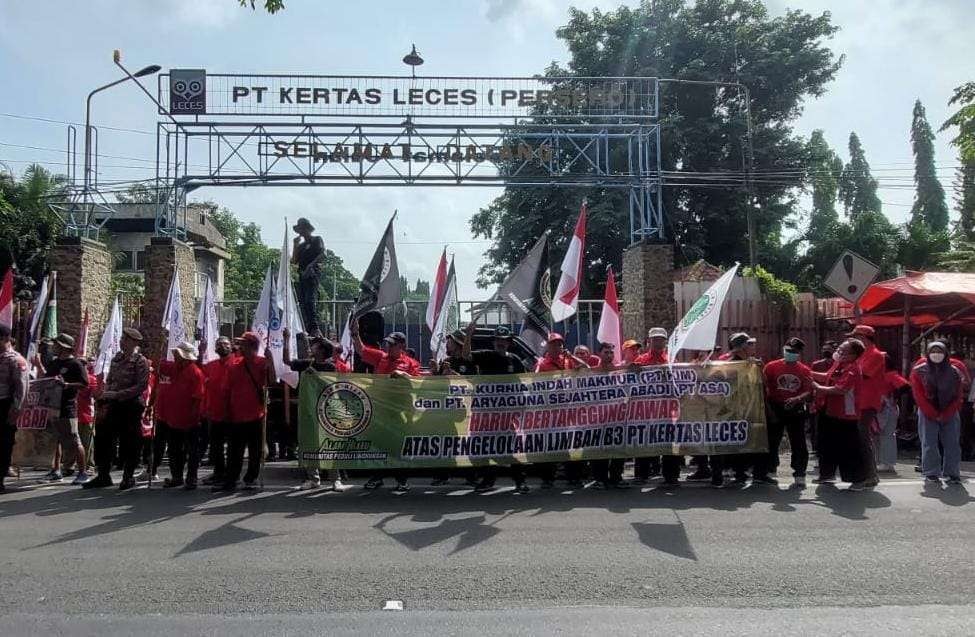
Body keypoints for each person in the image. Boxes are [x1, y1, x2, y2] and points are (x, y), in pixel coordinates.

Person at [352, 325, 421, 492]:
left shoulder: (410, 363)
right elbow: (361, 350)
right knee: (378, 445)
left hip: (400, 412)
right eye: (388, 344)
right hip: (380, 410)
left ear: (402, 346)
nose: (388, 347)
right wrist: (355, 334)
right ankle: (377, 477)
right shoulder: (381, 357)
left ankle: (402, 480)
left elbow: (418, 384)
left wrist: (403, 374)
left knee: (397, 446)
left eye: (392, 344)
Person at [84, 328, 150, 490]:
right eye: (122, 339)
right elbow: (111, 380)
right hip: (113, 404)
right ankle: (103, 474)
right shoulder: (117, 359)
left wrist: (117, 394)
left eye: (126, 339)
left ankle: (128, 476)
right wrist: (105, 396)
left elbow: (140, 386)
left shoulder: (140, 361)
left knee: (130, 442)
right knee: (104, 438)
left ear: (134, 342)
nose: (122, 342)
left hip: (131, 405)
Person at [283, 330, 347, 491]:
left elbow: (332, 386)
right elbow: (287, 361)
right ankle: (313, 478)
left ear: (322, 350)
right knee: (309, 443)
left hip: (327, 410)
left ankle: (336, 479)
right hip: (308, 410)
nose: (312, 347)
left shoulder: (330, 367)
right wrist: (286, 340)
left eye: (316, 346)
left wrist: (316, 375)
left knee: (329, 444)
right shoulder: (306, 364)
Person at [470, 326, 529, 493]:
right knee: (486, 447)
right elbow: (466, 355)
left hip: (508, 415)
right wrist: (468, 334)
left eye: (504, 340)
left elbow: (522, 383)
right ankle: (488, 479)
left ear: (508, 342)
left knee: (512, 448)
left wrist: (522, 405)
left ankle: (520, 481)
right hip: (487, 414)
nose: (501, 343)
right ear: (494, 341)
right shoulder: (485, 356)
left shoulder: (515, 360)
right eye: (498, 340)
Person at [213, 332, 273, 493]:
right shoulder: (234, 364)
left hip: (256, 414)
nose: (240, 347)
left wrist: (271, 361)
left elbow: (271, 381)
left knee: (256, 450)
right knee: (234, 451)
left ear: (252, 346)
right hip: (236, 415)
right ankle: (231, 479)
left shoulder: (262, 363)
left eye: (244, 344)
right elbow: (226, 390)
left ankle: (251, 477)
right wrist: (226, 411)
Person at [811, 338, 868, 490]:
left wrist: (817, 387)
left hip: (846, 414)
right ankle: (827, 474)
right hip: (830, 410)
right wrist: (808, 373)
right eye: (840, 348)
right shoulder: (839, 364)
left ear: (853, 355)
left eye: (843, 351)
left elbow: (839, 389)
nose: (839, 352)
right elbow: (827, 377)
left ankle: (858, 480)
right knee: (826, 444)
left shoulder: (853, 369)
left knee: (849, 448)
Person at [534, 332, 588, 488]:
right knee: (549, 445)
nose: (557, 347)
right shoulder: (542, 363)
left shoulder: (567, 361)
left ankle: (574, 478)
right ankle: (547, 479)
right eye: (554, 344)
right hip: (549, 412)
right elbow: (535, 379)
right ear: (548, 346)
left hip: (567, 411)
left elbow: (585, 367)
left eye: (559, 344)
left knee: (569, 445)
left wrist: (572, 357)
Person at [756, 337, 812, 487]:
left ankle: (800, 473)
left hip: (795, 408)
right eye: (788, 350)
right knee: (772, 440)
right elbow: (763, 385)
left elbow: (808, 391)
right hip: (775, 407)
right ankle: (770, 469)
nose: (790, 353)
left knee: (798, 442)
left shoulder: (804, 370)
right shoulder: (771, 367)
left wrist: (797, 399)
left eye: (794, 352)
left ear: (799, 353)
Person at [35, 333, 90, 485]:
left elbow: (84, 384)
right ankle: (56, 470)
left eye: (57, 345)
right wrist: (39, 367)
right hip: (52, 407)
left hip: (67, 407)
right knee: (55, 440)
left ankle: (83, 472)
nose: (54, 347)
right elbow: (46, 380)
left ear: (65, 347)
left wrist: (67, 385)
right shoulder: (54, 363)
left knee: (74, 440)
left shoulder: (76, 364)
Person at [910, 341, 965, 485]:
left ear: (946, 353)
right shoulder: (918, 371)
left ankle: (952, 473)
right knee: (929, 443)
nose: (936, 354)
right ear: (927, 353)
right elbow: (918, 395)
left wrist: (948, 412)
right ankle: (931, 472)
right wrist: (932, 413)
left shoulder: (955, 371)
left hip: (951, 411)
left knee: (952, 443)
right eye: (933, 351)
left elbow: (959, 395)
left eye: (939, 351)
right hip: (927, 411)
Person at [156, 342, 206, 490]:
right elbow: (159, 366)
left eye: (178, 355)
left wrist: (193, 417)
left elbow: (198, 398)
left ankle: (191, 478)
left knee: (192, 451)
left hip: (190, 420)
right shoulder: (176, 369)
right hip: (173, 418)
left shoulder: (195, 373)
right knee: (174, 450)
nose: (175, 357)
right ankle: (177, 477)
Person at [847, 325, 884, 488]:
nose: (851, 340)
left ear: (863, 338)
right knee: (858, 439)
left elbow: (863, 374)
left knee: (863, 439)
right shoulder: (862, 355)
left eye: (855, 337)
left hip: (867, 403)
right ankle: (864, 474)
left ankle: (870, 475)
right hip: (857, 402)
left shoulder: (875, 355)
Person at [590, 342, 628, 490]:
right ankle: (600, 479)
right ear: (599, 354)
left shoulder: (620, 370)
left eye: (611, 352)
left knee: (618, 448)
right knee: (599, 449)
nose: (609, 355)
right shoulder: (592, 371)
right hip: (597, 418)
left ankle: (616, 477)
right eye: (606, 352)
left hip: (617, 417)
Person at [202, 336, 235, 486]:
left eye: (225, 343)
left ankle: (231, 474)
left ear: (231, 346)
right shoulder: (211, 365)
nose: (222, 345)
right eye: (218, 344)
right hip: (214, 413)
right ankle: (218, 473)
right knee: (216, 446)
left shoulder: (237, 363)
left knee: (233, 447)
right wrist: (200, 352)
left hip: (233, 413)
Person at [0, 325, 28, 492]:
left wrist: (16, 409)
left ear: (4, 339)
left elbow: (22, 387)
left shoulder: (15, 359)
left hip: (5, 405)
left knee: (3, 443)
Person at [292, 217, 325, 337]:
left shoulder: (316, 240)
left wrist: (311, 265)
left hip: (312, 273)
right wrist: (295, 245)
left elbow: (322, 254)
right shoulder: (301, 246)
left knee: (310, 300)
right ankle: (306, 326)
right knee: (302, 302)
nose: (301, 232)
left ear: (307, 229)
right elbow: (294, 261)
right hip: (302, 275)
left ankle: (314, 327)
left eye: (302, 229)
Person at [876, 354, 909, 473]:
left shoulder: (890, 374)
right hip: (878, 406)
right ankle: (881, 461)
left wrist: (893, 396)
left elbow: (905, 387)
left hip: (887, 407)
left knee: (887, 435)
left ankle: (887, 463)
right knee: (879, 436)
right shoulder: (876, 375)